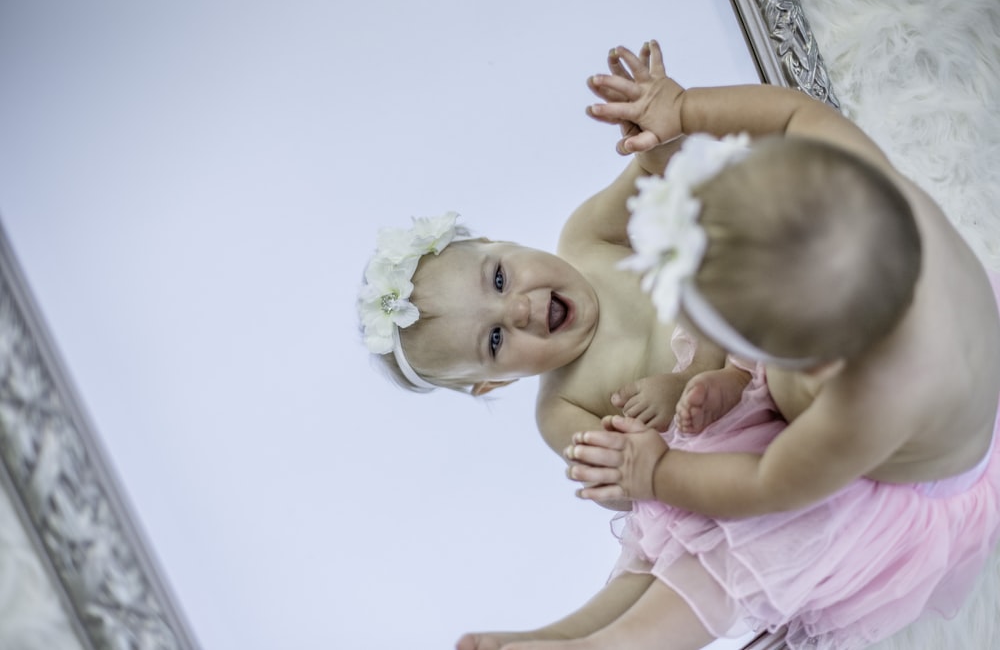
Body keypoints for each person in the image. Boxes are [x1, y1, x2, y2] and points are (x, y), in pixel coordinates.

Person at [357, 41, 1000, 649]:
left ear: (818, 359)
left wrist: (662, 464)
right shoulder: (858, 177)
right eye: (496, 337)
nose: (520, 307)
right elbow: (794, 114)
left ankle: (622, 645)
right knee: (655, 546)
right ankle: (569, 631)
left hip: (888, 477)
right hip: (781, 412)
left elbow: (766, 484)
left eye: (499, 280)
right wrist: (680, 113)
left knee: (727, 544)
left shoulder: (867, 402)